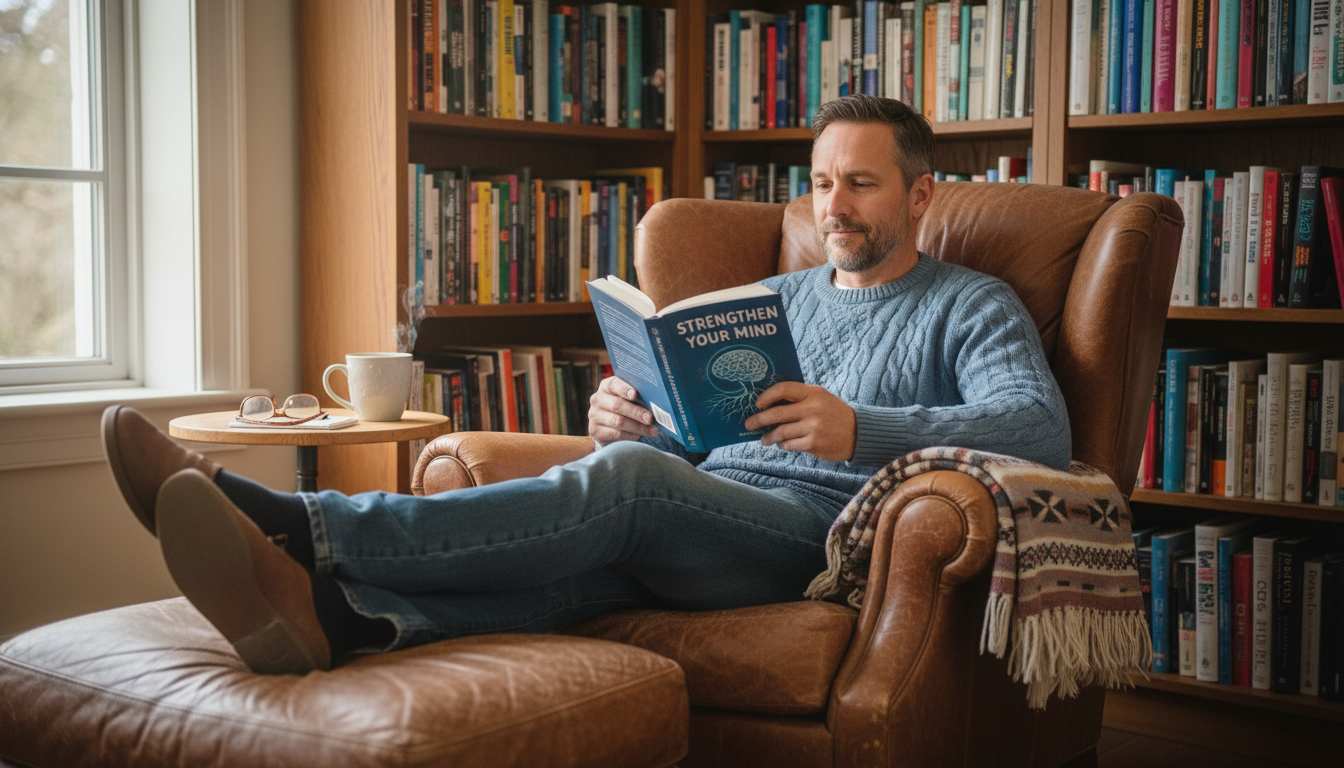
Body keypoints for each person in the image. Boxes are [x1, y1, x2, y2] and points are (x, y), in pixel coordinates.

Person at [100, 95, 1071, 674]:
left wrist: (859, 427)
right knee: (593, 555)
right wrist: (631, 423)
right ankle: (345, 618)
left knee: (636, 493)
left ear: (920, 193)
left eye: (860, 183)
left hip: (818, 540)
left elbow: (1037, 432)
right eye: (820, 184)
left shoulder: (968, 305)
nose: (834, 207)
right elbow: (698, 440)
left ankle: (299, 527)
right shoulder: (776, 294)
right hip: (707, 506)